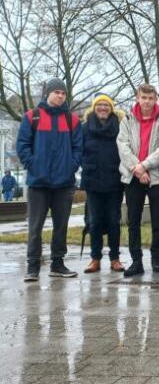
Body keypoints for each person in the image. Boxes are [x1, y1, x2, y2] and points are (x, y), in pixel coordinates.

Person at [17, 78, 83, 281]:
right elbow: (22, 146)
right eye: (56, 92)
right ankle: (33, 267)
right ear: (47, 94)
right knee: (35, 227)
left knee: (60, 226)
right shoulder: (32, 117)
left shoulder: (72, 120)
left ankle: (57, 264)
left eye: (63, 93)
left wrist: (70, 167)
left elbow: (78, 149)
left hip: (64, 183)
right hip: (38, 183)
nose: (60, 96)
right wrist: (34, 165)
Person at [117, 83, 159, 277]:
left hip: (156, 175)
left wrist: (145, 166)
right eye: (144, 98)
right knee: (133, 220)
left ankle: (156, 258)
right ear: (137, 98)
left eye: (151, 98)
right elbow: (122, 145)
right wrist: (137, 168)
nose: (147, 102)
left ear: (156, 99)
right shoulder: (127, 119)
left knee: (158, 219)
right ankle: (136, 261)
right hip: (133, 175)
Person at [81, 94, 125, 274]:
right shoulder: (84, 128)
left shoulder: (120, 126)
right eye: (99, 105)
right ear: (93, 107)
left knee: (114, 221)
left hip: (115, 180)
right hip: (93, 180)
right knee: (94, 221)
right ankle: (95, 258)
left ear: (111, 108)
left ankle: (115, 258)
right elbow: (79, 150)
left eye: (106, 105)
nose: (103, 108)